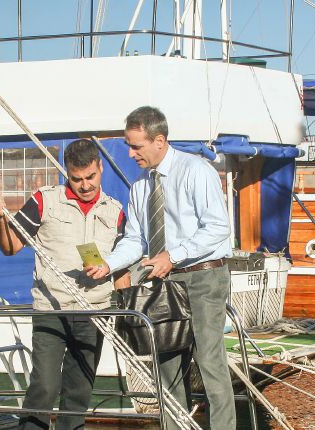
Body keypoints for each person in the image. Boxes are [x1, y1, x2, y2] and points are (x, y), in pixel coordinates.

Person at [86, 106, 235, 429]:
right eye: (128, 145)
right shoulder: (140, 186)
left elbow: (218, 228)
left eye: (136, 146)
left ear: (159, 141)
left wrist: (174, 255)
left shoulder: (196, 171)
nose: (130, 153)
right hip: (165, 283)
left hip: (204, 277)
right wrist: (107, 265)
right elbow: (135, 240)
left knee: (209, 362)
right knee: (166, 366)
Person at [0, 138, 128, 430]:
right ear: (66, 173)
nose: (85, 185)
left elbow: (122, 270)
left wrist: (127, 310)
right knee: (45, 387)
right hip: (51, 310)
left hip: (95, 313)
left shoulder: (116, 211)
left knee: (79, 394)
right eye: (77, 179)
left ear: (100, 168)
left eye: (91, 177)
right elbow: (10, 246)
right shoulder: (44, 200)